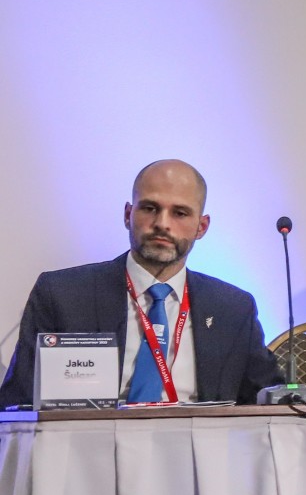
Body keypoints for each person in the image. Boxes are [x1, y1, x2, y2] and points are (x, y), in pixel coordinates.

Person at [0, 159, 284, 408]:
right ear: (128, 215)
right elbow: (18, 402)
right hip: (90, 448)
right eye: (150, 208)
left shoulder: (233, 308)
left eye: (180, 213)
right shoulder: (63, 294)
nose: (162, 223)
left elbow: (268, 398)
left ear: (202, 227)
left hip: (199, 449)